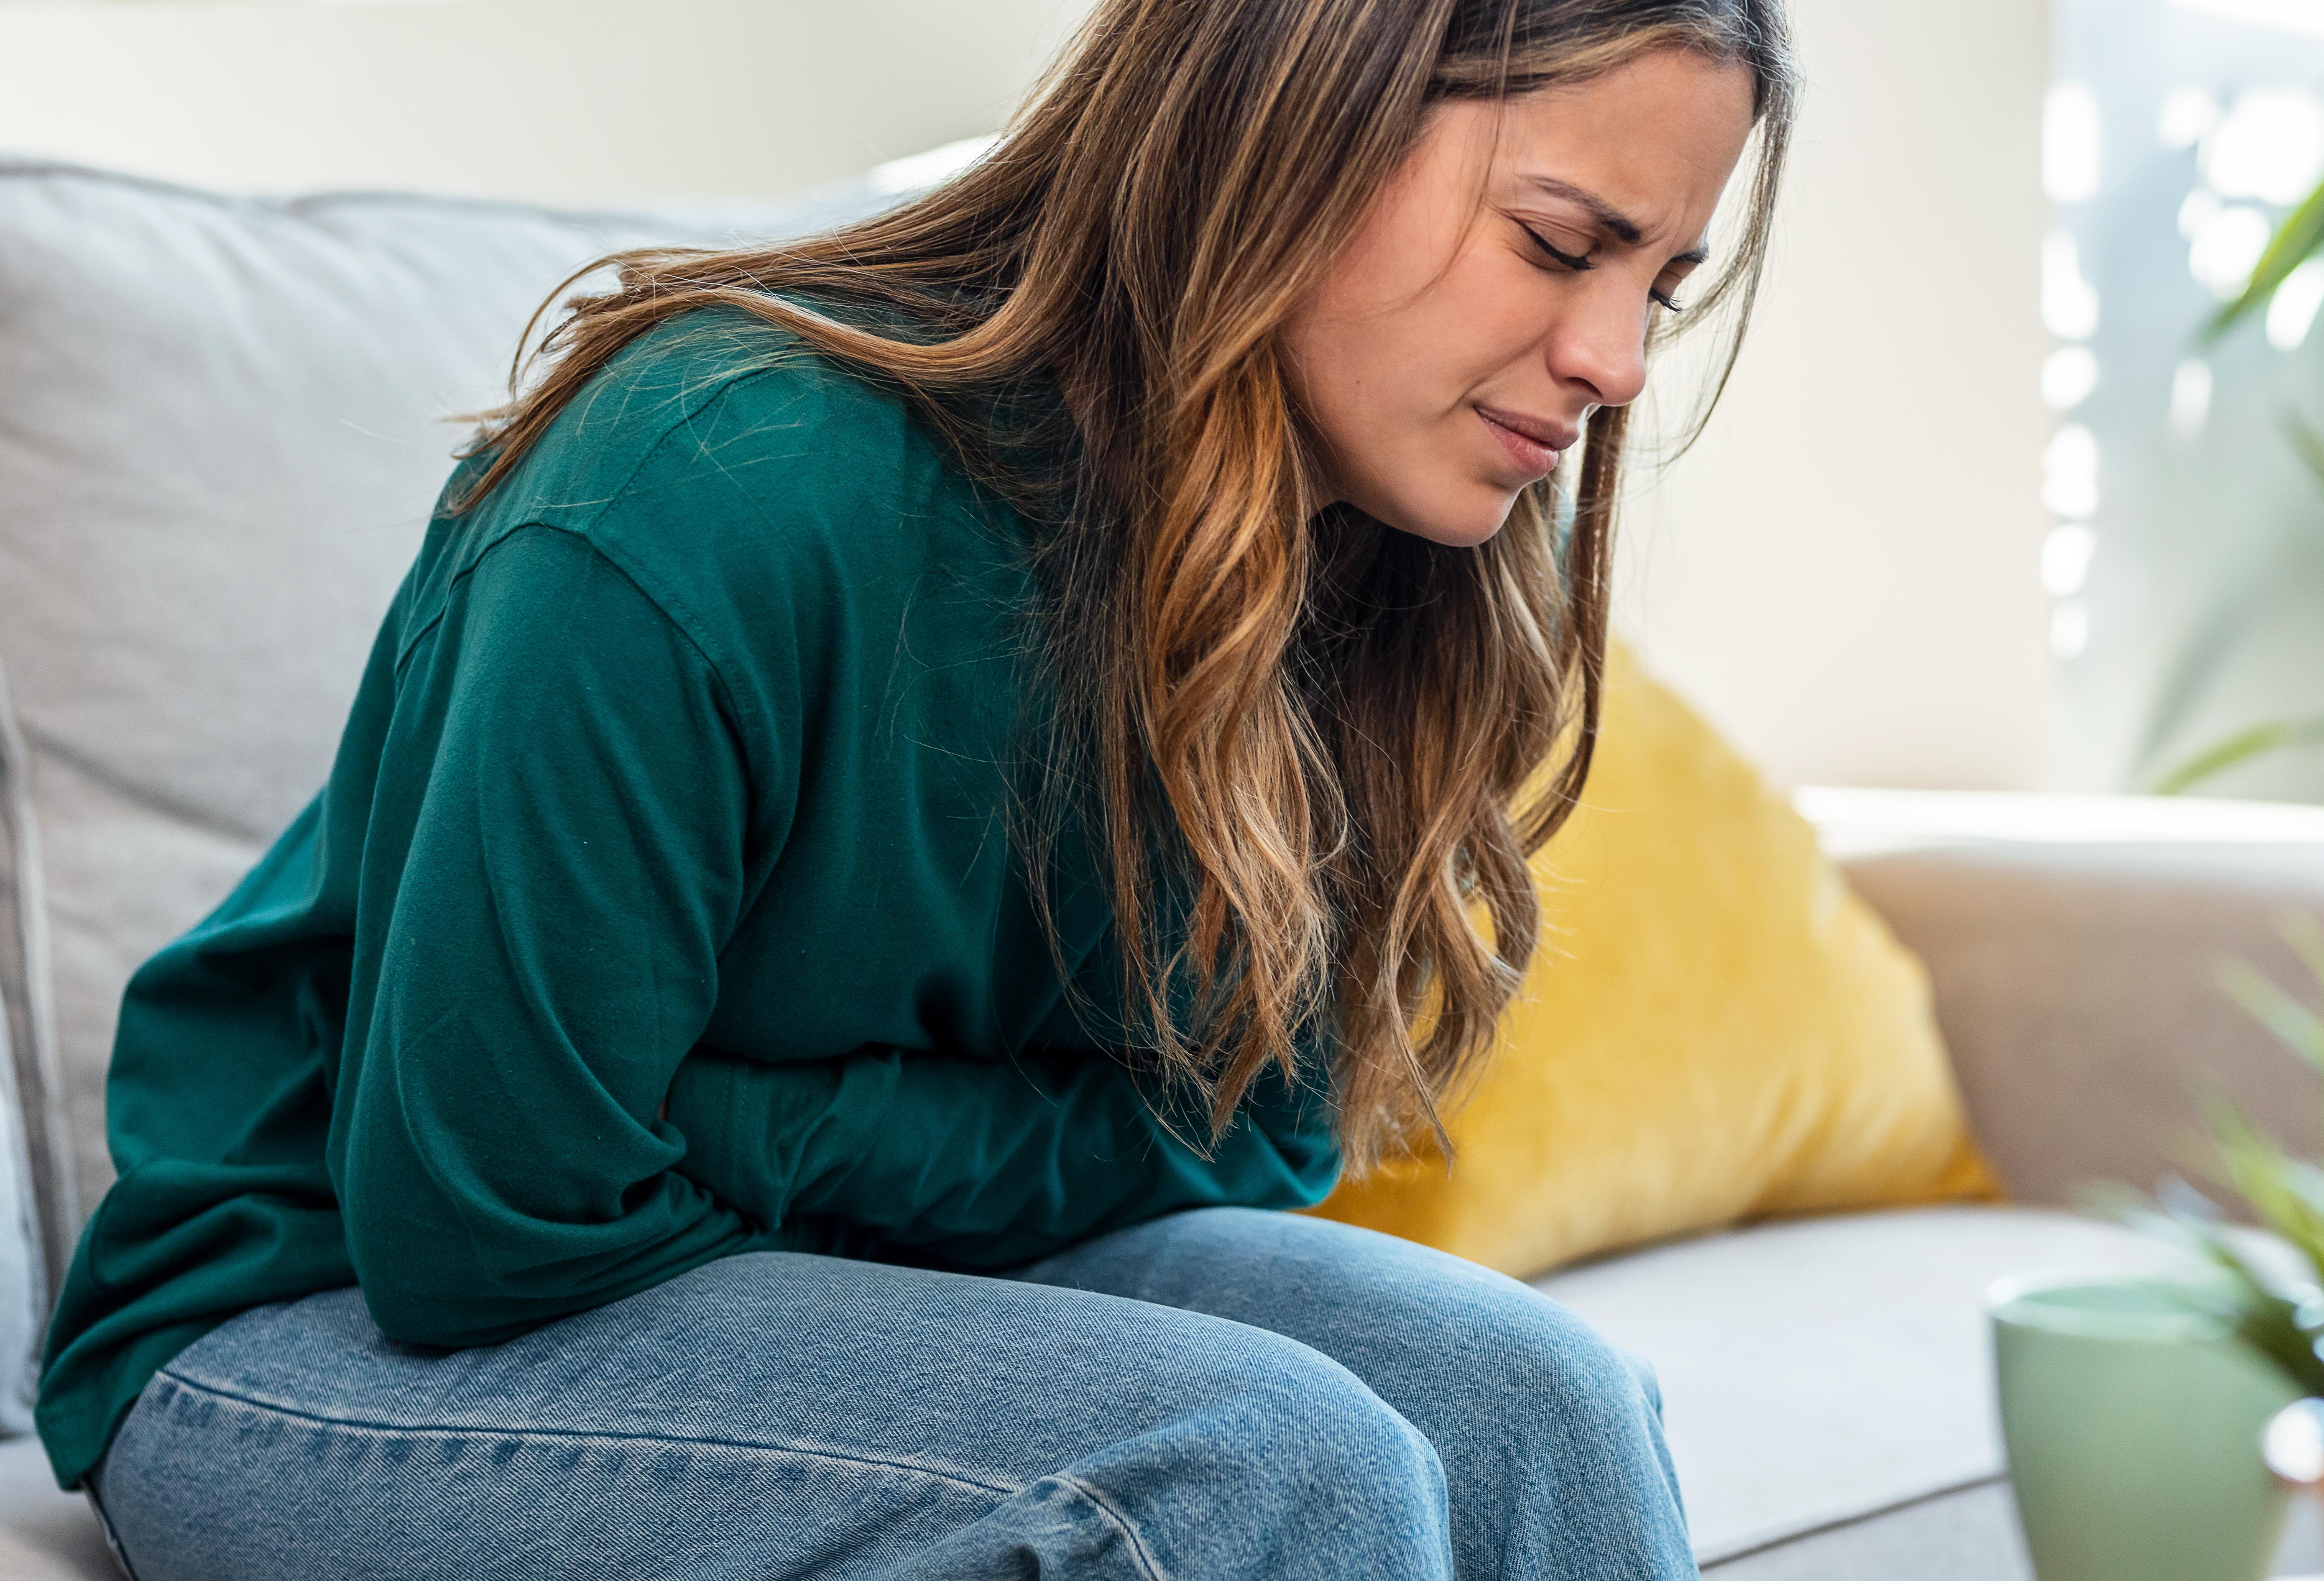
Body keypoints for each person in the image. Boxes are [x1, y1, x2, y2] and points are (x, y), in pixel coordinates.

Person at [35, 1, 1793, 1575]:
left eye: (1659, 288)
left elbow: (1263, 1132)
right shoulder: (712, 478)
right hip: (310, 1325)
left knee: (1537, 1402)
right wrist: (920, 1150)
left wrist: (742, 1118)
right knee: (1259, 1470)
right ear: (1292, 122)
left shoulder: (1401, 539)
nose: (1614, 362)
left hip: (807, 1256)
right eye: (1563, 244)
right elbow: (492, 1220)